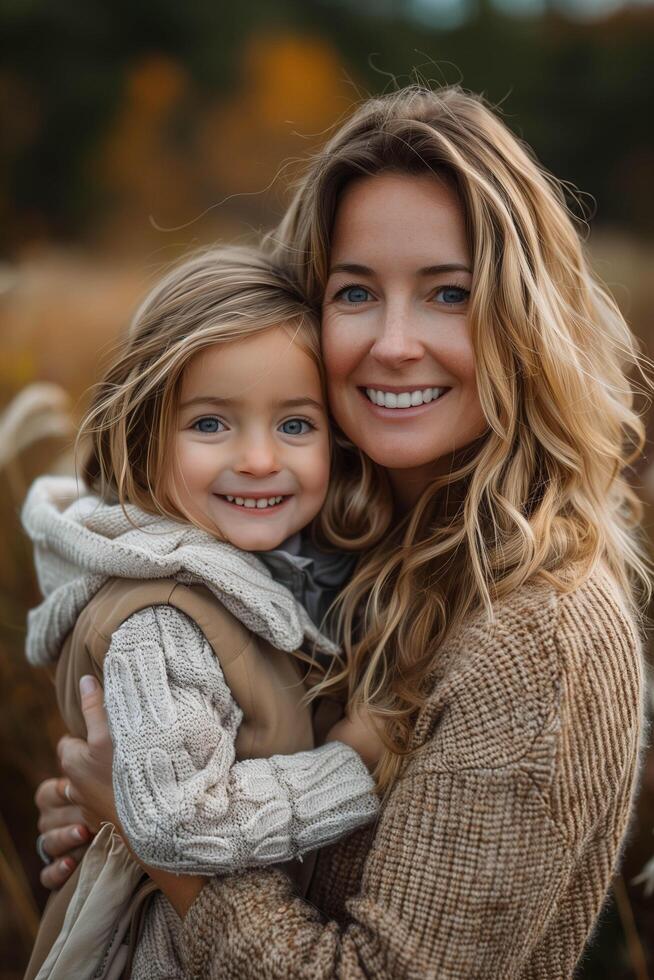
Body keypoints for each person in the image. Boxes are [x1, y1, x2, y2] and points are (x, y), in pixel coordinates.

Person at [35, 84, 649, 978]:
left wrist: (160, 848)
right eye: (357, 292)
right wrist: (112, 813)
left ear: (522, 319)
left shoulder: (539, 635)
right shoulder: (317, 546)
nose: (395, 343)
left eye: (448, 293)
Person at [22, 246, 381, 979]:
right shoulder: (162, 624)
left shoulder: (282, 578)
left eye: (296, 425)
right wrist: (356, 765)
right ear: (147, 437)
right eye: (212, 425)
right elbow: (177, 821)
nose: (256, 458)